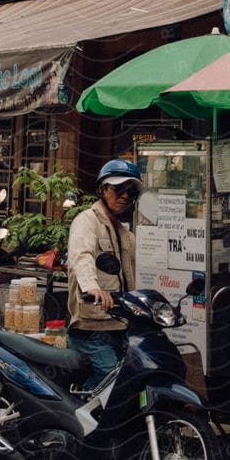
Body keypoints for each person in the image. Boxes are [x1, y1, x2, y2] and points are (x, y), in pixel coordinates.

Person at [66, 158, 140, 391]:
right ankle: (75, 420)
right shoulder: (86, 221)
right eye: (118, 189)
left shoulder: (124, 232)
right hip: (91, 329)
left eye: (130, 191)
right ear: (102, 189)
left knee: (131, 377)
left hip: (119, 323)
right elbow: (82, 256)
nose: (125, 196)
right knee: (112, 381)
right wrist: (92, 288)